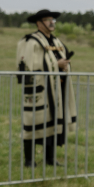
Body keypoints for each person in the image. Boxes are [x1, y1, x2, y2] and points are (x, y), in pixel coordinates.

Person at [15, 9, 77, 167]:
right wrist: (57, 65)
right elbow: (29, 65)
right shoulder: (31, 41)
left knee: (54, 121)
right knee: (33, 120)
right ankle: (29, 160)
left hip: (57, 89)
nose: (51, 22)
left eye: (53, 20)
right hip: (40, 89)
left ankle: (50, 158)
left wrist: (64, 67)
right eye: (47, 20)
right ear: (39, 23)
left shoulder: (57, 42)